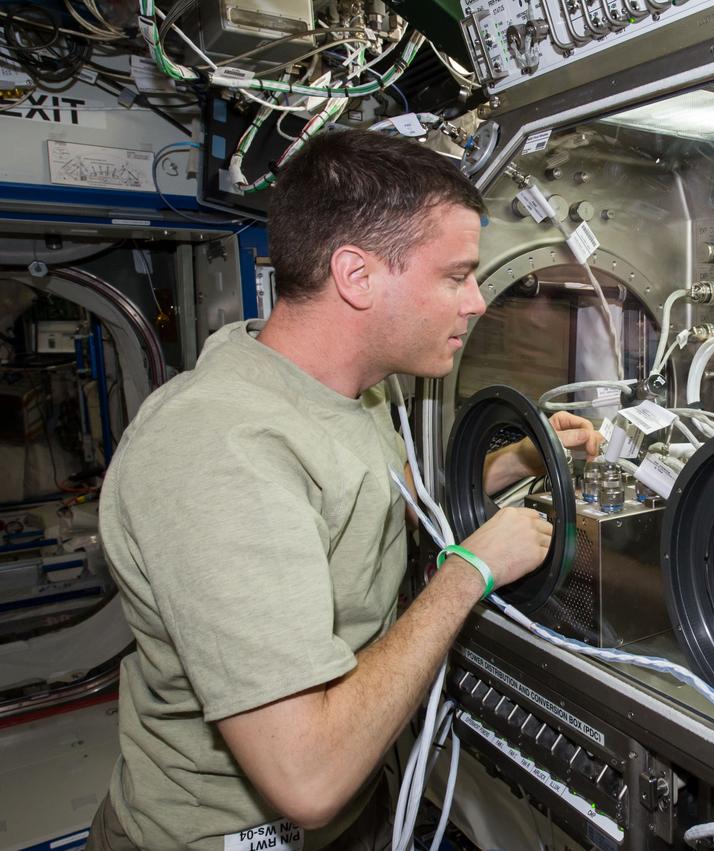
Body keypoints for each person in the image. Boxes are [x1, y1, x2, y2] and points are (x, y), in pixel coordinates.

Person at [87, 130, 602, 850]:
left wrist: (518, 459)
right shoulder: (219, 453)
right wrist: (472, 569)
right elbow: (310, 780)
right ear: (357, 276)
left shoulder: (347, 393)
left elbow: (356, 508)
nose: (479, 301)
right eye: (456, 275)